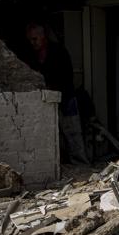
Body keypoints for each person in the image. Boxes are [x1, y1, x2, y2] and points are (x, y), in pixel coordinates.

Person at [25, 22, 89, 165]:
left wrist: (51, 86)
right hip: (48, 100)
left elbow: (66, 76)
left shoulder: (58, 51)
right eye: (30, 40)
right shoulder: (32, 55)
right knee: (54, 134)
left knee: (73, 132)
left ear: (43, 37)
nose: (32, 43)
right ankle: (64, 163)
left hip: (66, 97)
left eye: (34, 39)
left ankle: (81, 164)